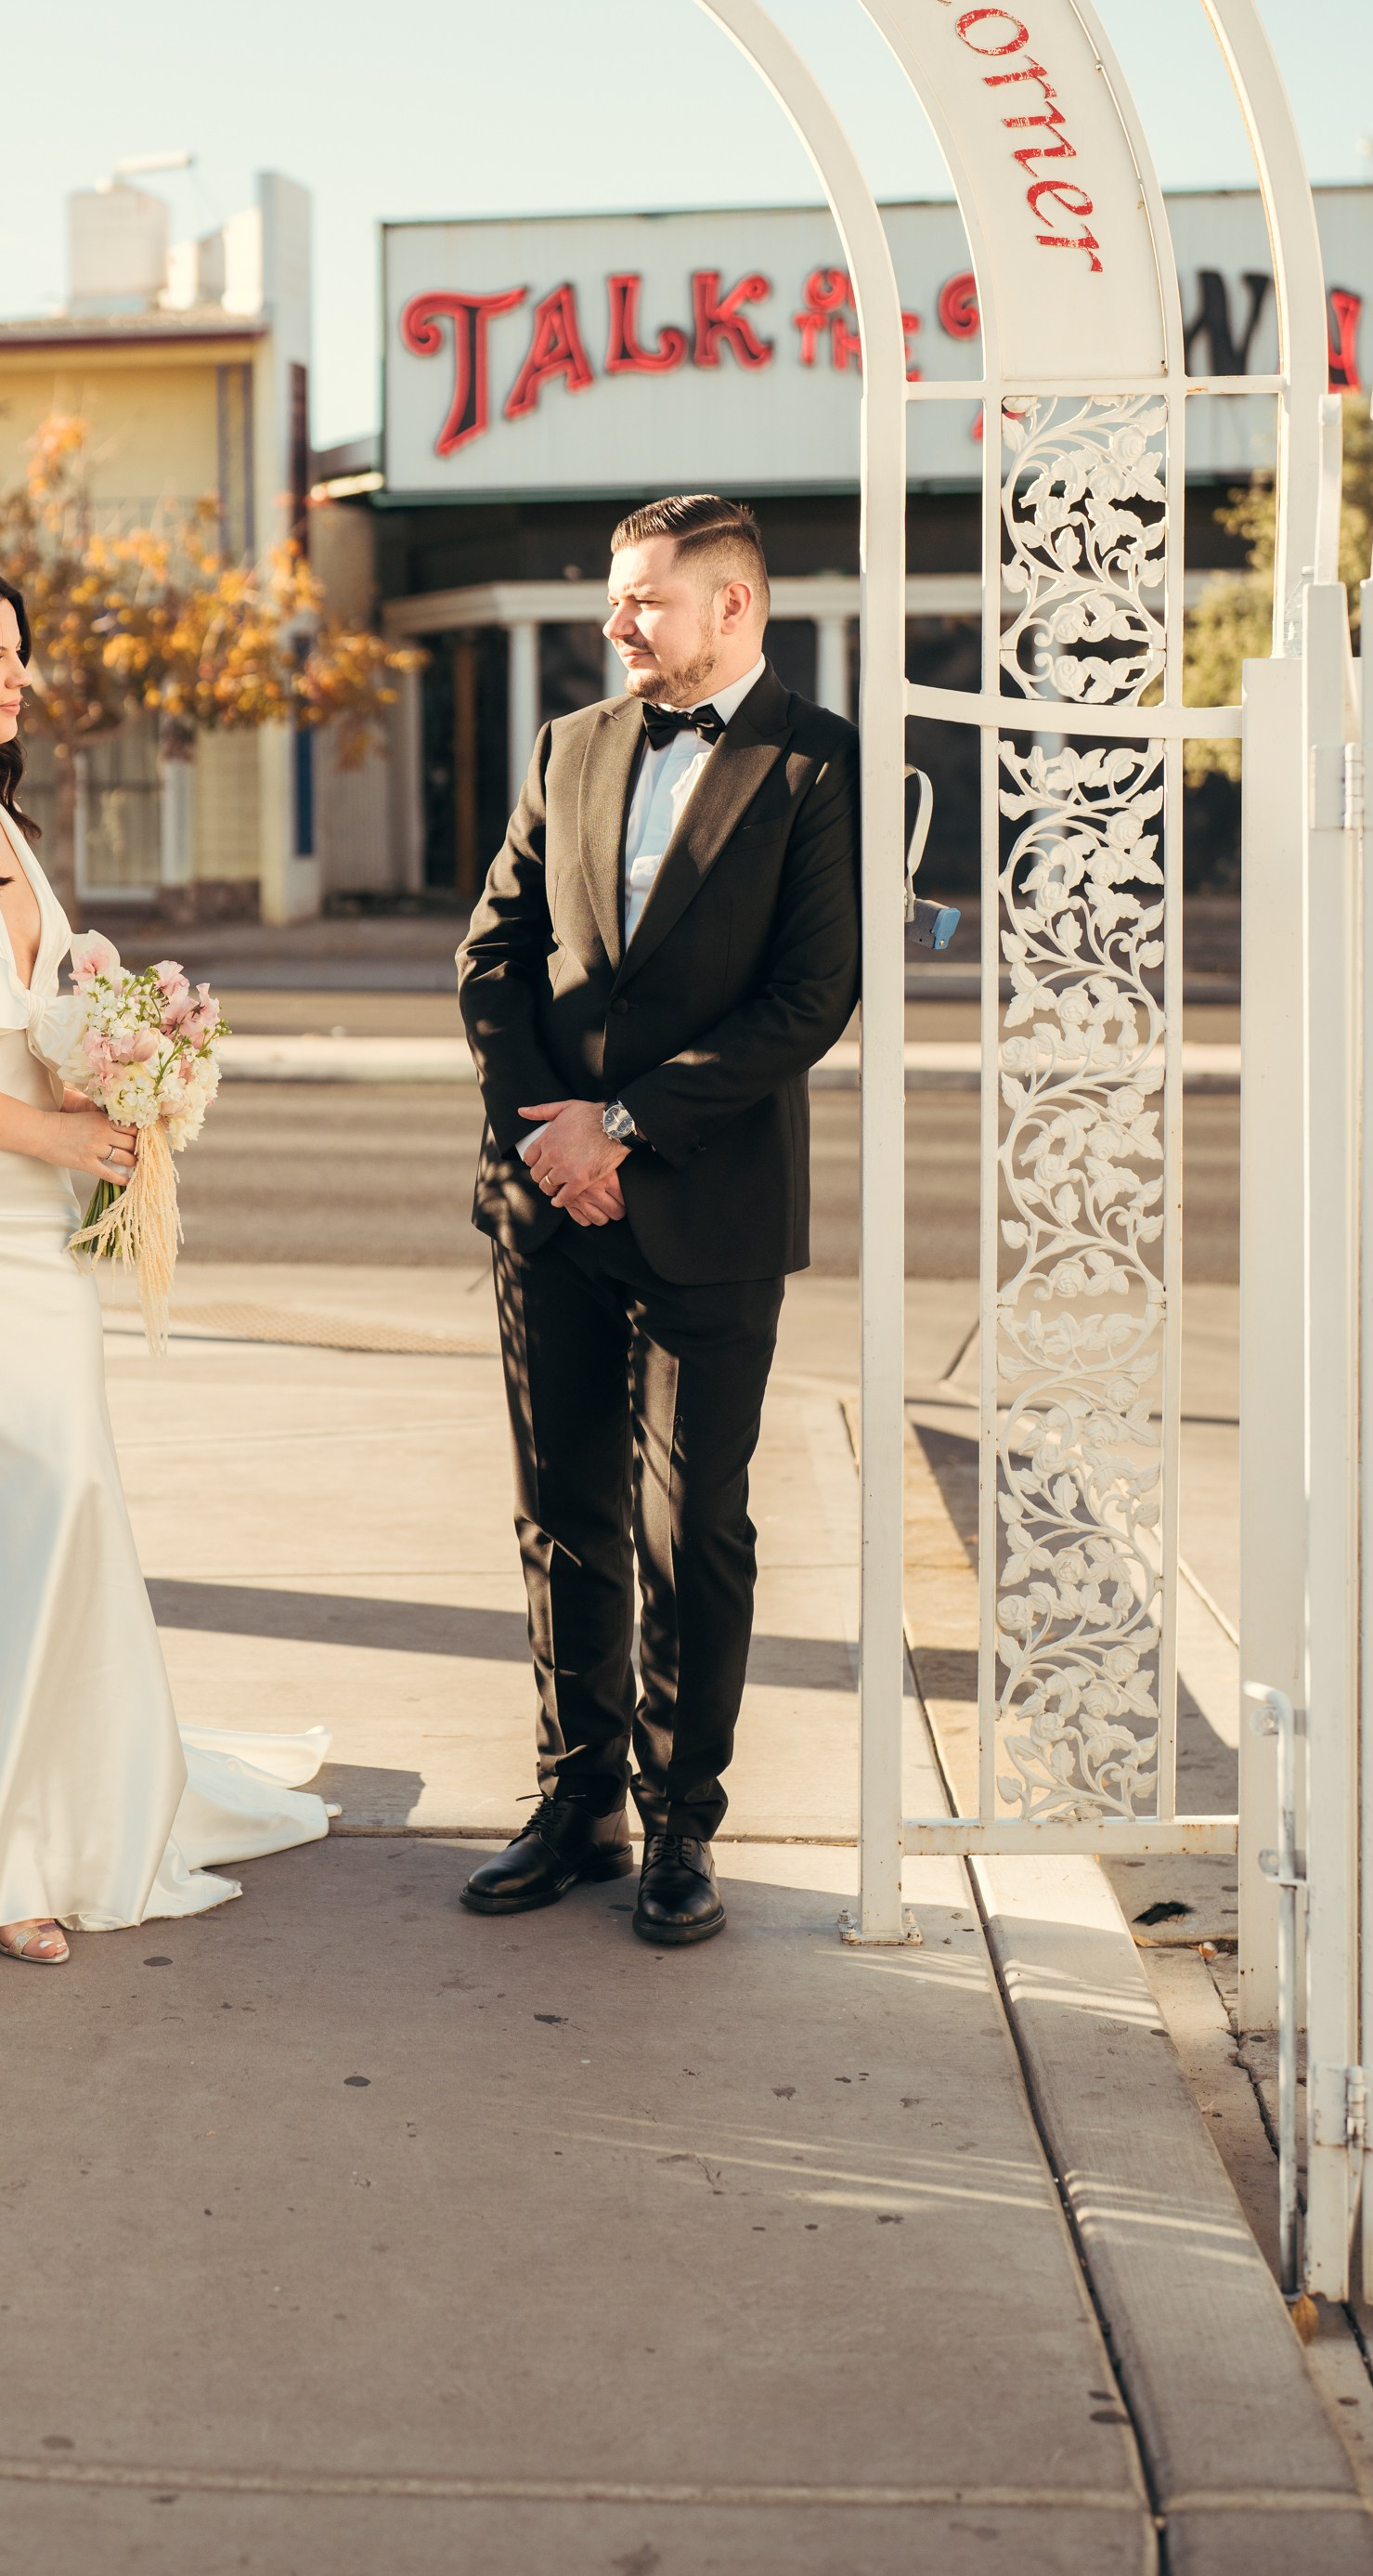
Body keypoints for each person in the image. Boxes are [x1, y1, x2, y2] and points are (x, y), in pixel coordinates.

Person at [0, 555, 329, 1963]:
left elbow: (42, 999)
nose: (20, 676)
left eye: (19, 653)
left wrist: (130, 1065)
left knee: (57, 1488)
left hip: (24, 1219)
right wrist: (57, 1140)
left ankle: (66, 1799)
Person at [457, 493, 859, 1946]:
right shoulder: (570, 748)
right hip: (548, 1206)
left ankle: (685, 1824)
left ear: (733, 605)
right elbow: (493, 953)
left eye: (643, 600)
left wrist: (620, 1129)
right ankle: (577, 1808)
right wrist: (549, 1134)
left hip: (713, 1210)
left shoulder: (821, 766)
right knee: (563, 1517)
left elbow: (809, 1002)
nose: (615, 623)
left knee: (700, 1533)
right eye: (616, 598)